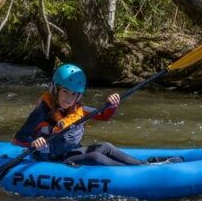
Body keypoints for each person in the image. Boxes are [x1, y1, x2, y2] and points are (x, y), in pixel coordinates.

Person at [13, 64, 145, 166]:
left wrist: (112, 105)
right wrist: (33, 143)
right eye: (65, 91)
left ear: (79, 95)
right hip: (50, 158)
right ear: (55, 89)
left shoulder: (75, 108)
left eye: (74, 94)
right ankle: (134, 174)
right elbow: (18, 138)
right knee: (95, 157)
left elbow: (105, 116)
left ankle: (143, 166)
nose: (69, 98)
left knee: (106, 147)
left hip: (69, 152)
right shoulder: (42, 110)